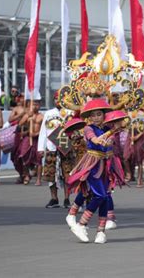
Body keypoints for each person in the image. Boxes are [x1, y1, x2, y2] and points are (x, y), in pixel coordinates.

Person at [68, 99, 124, 244]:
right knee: (99, 195)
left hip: (105, 165)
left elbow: (109, 141)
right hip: (92, 164)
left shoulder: (107, 129)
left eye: (99, 114)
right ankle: (81, 224)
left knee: (105, 196)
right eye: (94, 115)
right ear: (90, 117)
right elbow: (96, 140)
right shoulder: (88, 128)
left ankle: (100, 232)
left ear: (104, 115)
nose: (97, 117)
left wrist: (112, 135)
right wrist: (111, 132)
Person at [38, 91, 73, 208]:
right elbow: (43, 131)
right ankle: (54, 198)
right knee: (50, 173)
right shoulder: (48, 113)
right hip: (51, 146)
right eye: (56, 99)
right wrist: (40, 148)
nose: (58, 101)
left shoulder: (70, 112)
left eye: (60, 99)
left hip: (66, 147)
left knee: (67, 173)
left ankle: (67, 198)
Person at [18, 100, 44, 185]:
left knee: (39, 158)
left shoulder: (42, 116)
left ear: (39, 106)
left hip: (38, 139)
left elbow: (45, 129)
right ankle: (26, 175)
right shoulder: (28, 115)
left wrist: (37, 133)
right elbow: (20, 124)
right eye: (34, 104)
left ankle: (38, 179)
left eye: (37, 104)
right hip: (28, 138)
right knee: (23, 154)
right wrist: (27, 118)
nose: (35, 106)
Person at [8, 94, 26, 183]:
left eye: (23, 97)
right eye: (21, 97)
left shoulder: (30, 108)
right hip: (18, 133)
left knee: (23, 154)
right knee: (14, 154)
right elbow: (10, 119)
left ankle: (26, 174)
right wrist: (20, 115)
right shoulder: (16, 109)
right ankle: (21, 174)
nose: (22, 99)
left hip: (27, 133)